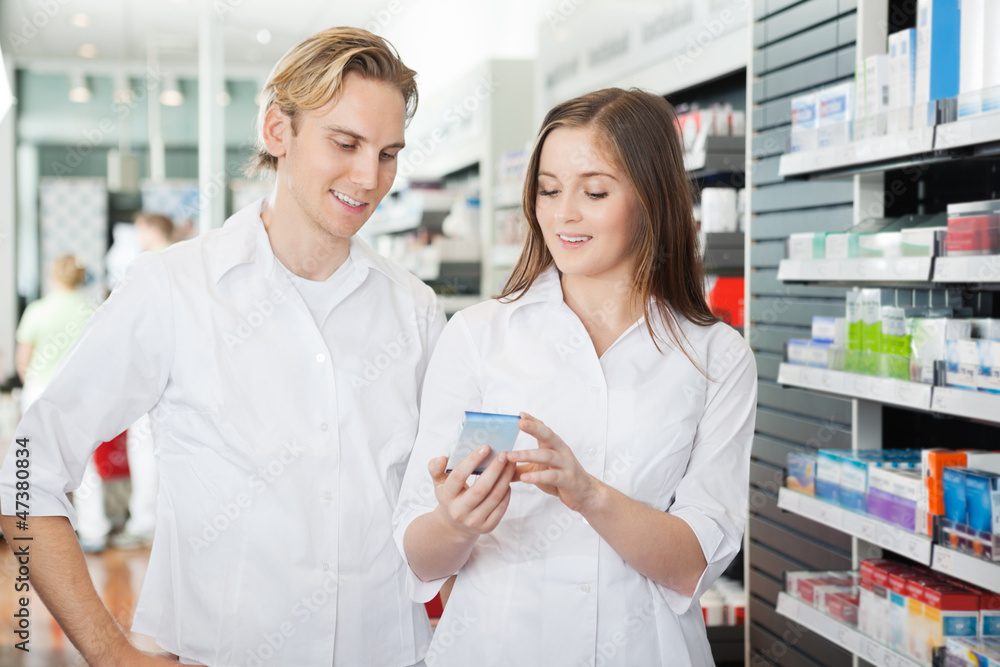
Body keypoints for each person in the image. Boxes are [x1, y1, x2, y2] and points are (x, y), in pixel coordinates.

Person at [0, 27, 444, 667]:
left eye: (388, 153)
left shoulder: (415, 309)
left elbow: (429, 514)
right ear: (276, 133)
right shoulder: (174, 291)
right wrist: (109, 653)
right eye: (344, 143)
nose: (369, 177)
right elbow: (25, 470)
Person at [394, 88, 757, 666]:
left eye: (594, 191)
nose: (563, 214)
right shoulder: (479, 335)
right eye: (548, 190)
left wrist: (590, 495)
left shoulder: (715, 355)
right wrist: (454, 522)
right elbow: (418, 555)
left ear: (652, 198)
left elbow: (695, 563)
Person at [14, 256, 108, 552]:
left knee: (35, 463)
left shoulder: (37, 310)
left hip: (40, 392)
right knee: (84, 463)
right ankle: (94, 532)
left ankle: (37, 534)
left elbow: (23, 363)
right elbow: (98, 360)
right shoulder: (90, 310)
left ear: (52, 276)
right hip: (77, 393)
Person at [112, 213, 174, 550]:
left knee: (146, 450)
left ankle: (145, 521)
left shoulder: (151, 266)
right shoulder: (185, 260)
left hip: (151, 376)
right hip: (172, 374)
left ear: (153, 229)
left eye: (139, 231)